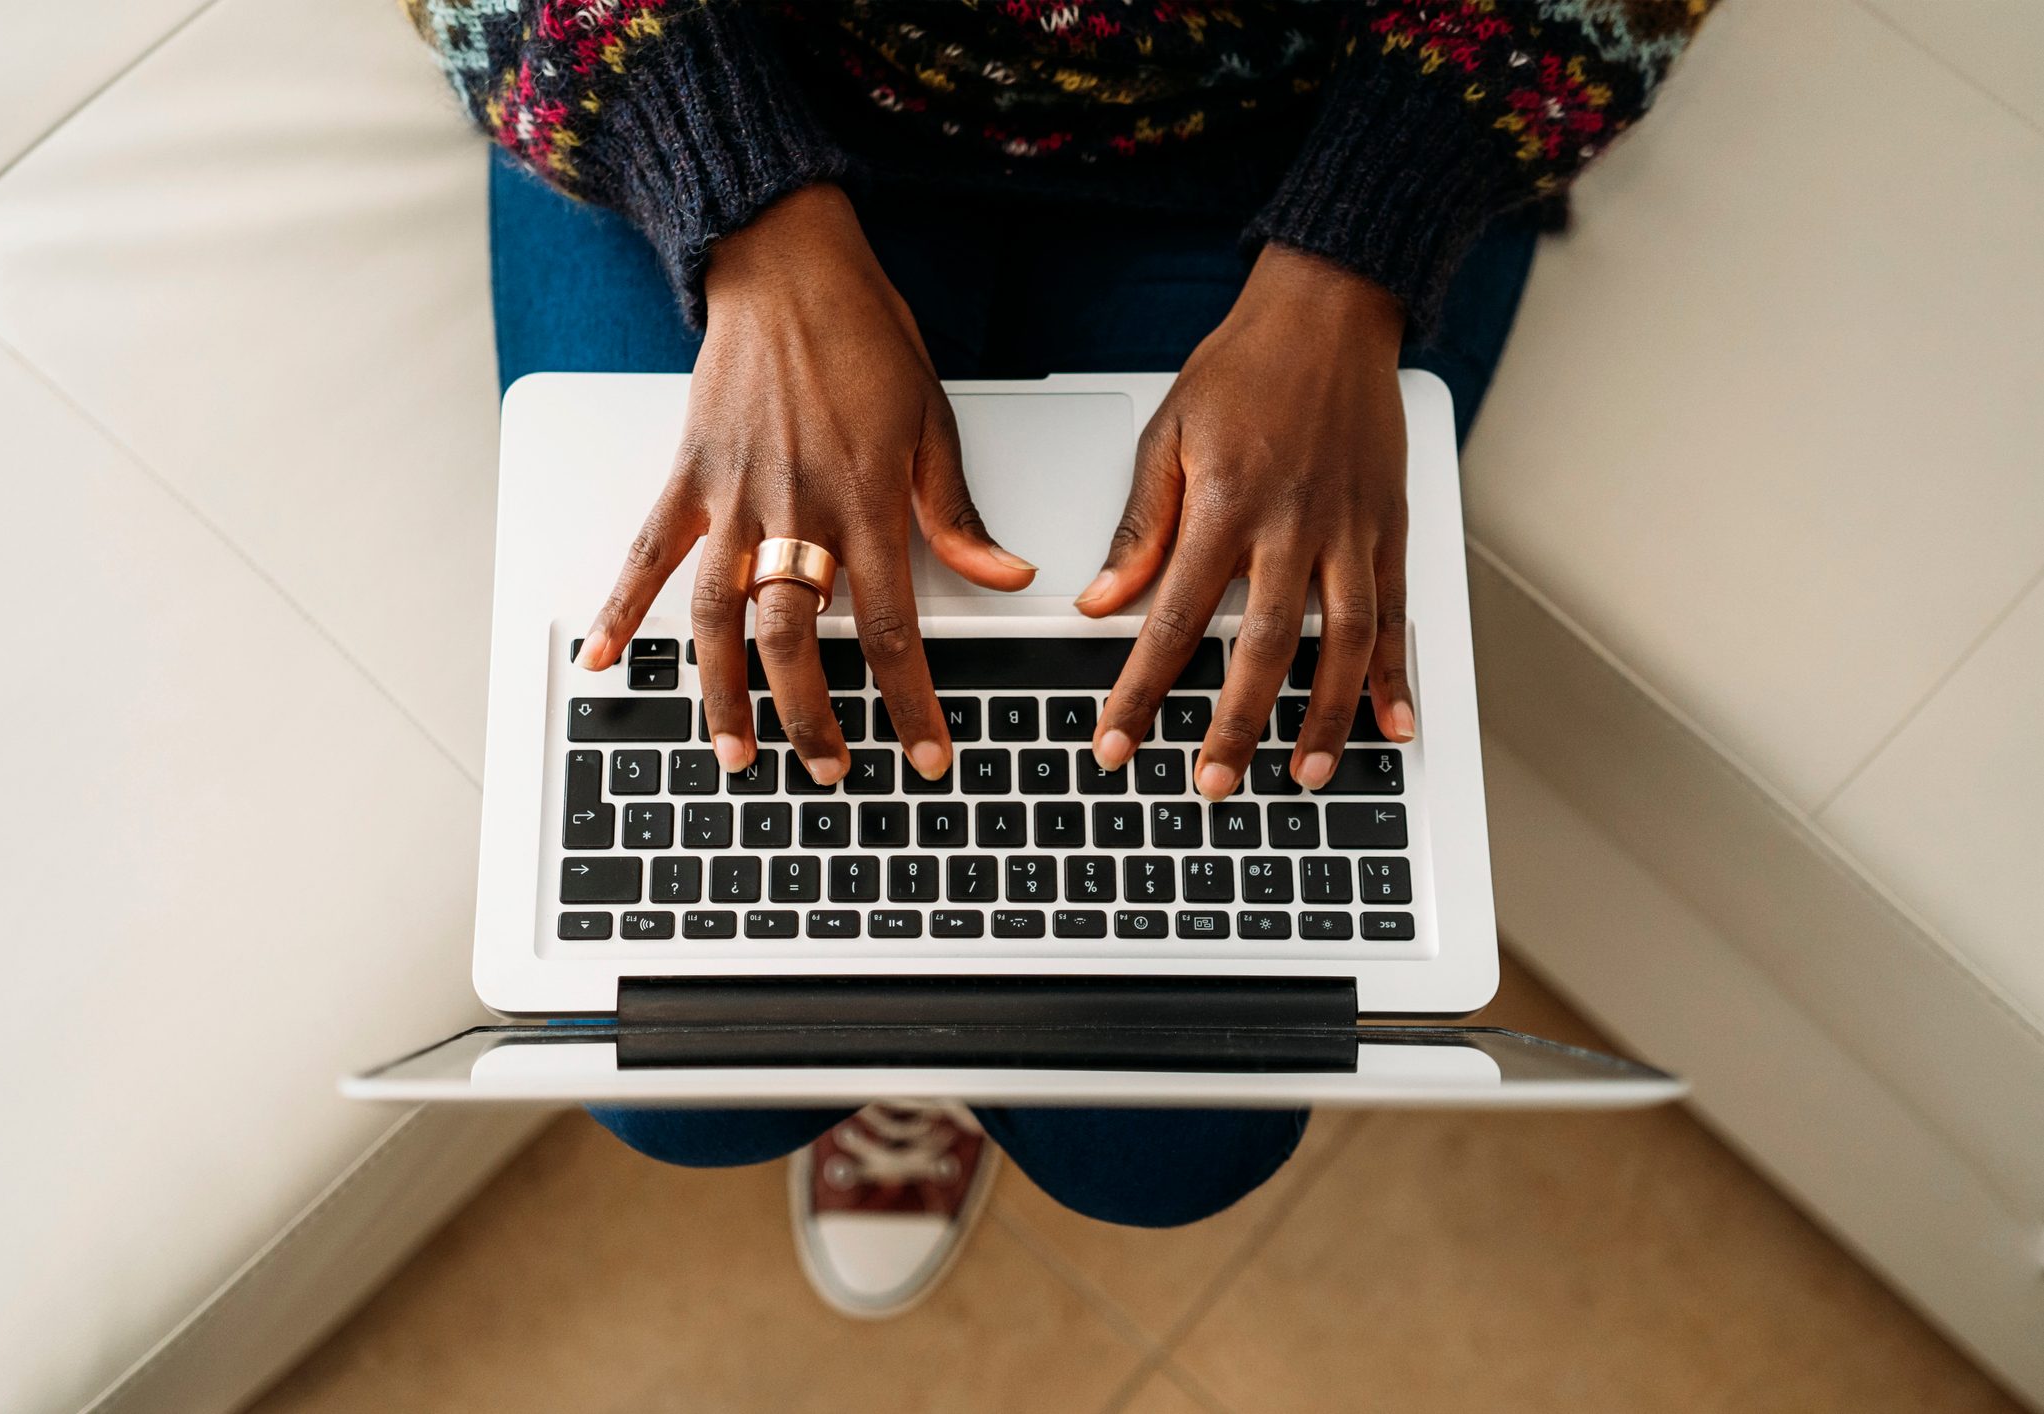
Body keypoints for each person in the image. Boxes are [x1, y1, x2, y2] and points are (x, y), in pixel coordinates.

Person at [407, 0, 1713, 1318]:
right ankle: (928, 996)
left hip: (1298, 137)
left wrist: (1362, 245)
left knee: (1160, 1141)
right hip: (740, 61)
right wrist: (736, 203)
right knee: (681, 1069)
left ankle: (947, 996)